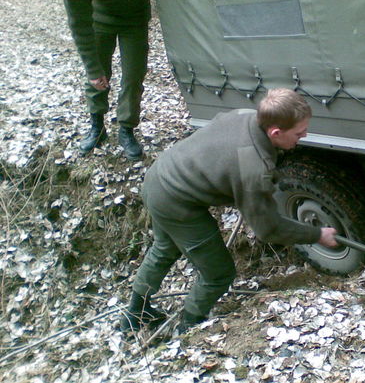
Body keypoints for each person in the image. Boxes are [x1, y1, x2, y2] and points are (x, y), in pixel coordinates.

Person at [120, 88, 339, 334]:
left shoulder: (245, 115)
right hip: (176, 202)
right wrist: (317, 235)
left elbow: (226, 149)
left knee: (164, 247)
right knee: (219, 273)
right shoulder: (254, 167)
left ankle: (135, 313)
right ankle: (189, 326)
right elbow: (267, 229)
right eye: (299, 133)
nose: (305, 135)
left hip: (159, 176)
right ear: (275, 132)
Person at [61, 0, 150, 160]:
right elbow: (79, 25)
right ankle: (97, 127)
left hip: (135, 20)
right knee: (98, 75)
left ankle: (126, 130)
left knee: (133, 76)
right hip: (99, 22)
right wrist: (92, 69)